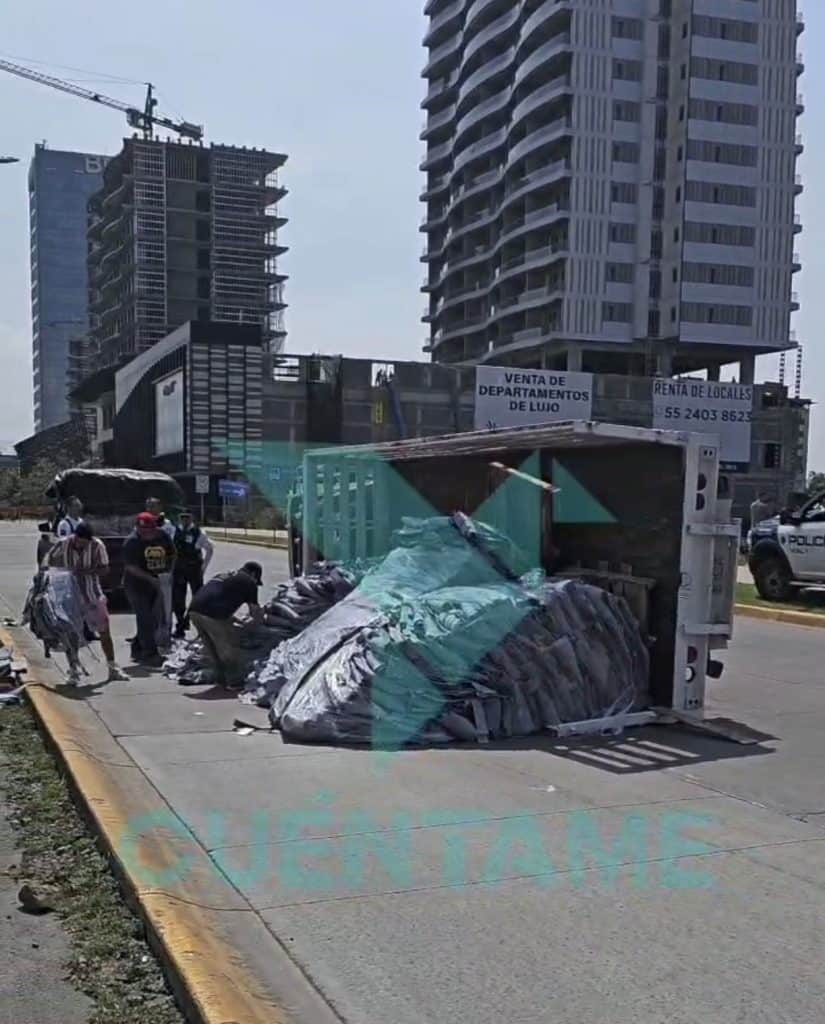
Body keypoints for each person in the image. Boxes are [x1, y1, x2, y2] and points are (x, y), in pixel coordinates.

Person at [43, 522, 129, 685]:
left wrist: (87, 572)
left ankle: (112, 666)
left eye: (85, 543)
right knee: (71, 633)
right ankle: (73, 669)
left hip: (91, 593)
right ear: (75, 537)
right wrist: (55, 574)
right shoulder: (63, 543)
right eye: (80, 541)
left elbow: (105, 569)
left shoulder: (97, 546)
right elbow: (49, 559)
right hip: (69, 595)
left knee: (104, 629)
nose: (82, 545)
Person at [188, 562, 265, 687]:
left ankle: (220, 679)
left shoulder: (224, 575)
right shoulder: (249, 582)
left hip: (194, 610)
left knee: (211, 648)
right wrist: (259, 621)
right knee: (227, 648)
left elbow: (217, 597)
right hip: (211, 614)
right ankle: (234, 681)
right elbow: (254, 611)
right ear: (253, 574)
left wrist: (234, 620)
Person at [122, 513, 176, 664]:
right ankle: (150, 654)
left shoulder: (162, 536)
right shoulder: (132, 542)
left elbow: (172, 554)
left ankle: (137, 648)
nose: (147, 533)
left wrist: (169, 572)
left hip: (156, 583)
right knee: (144, 617)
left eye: (150, 529)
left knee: (153, 619)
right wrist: (151, 579)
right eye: (143, 530)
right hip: (136, 585)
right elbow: (131, 567)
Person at [172, 510, 214, 638]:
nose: (184, 519)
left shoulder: (198, 532)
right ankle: (180, 625)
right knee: (178, 599)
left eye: (187, 517)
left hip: (194, 569)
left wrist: (203, 568)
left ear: (192, 518)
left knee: (198, 598)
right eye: (182, 517)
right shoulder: (174, 531)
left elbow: (209, 549)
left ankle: (195, 624)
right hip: (179, 569)